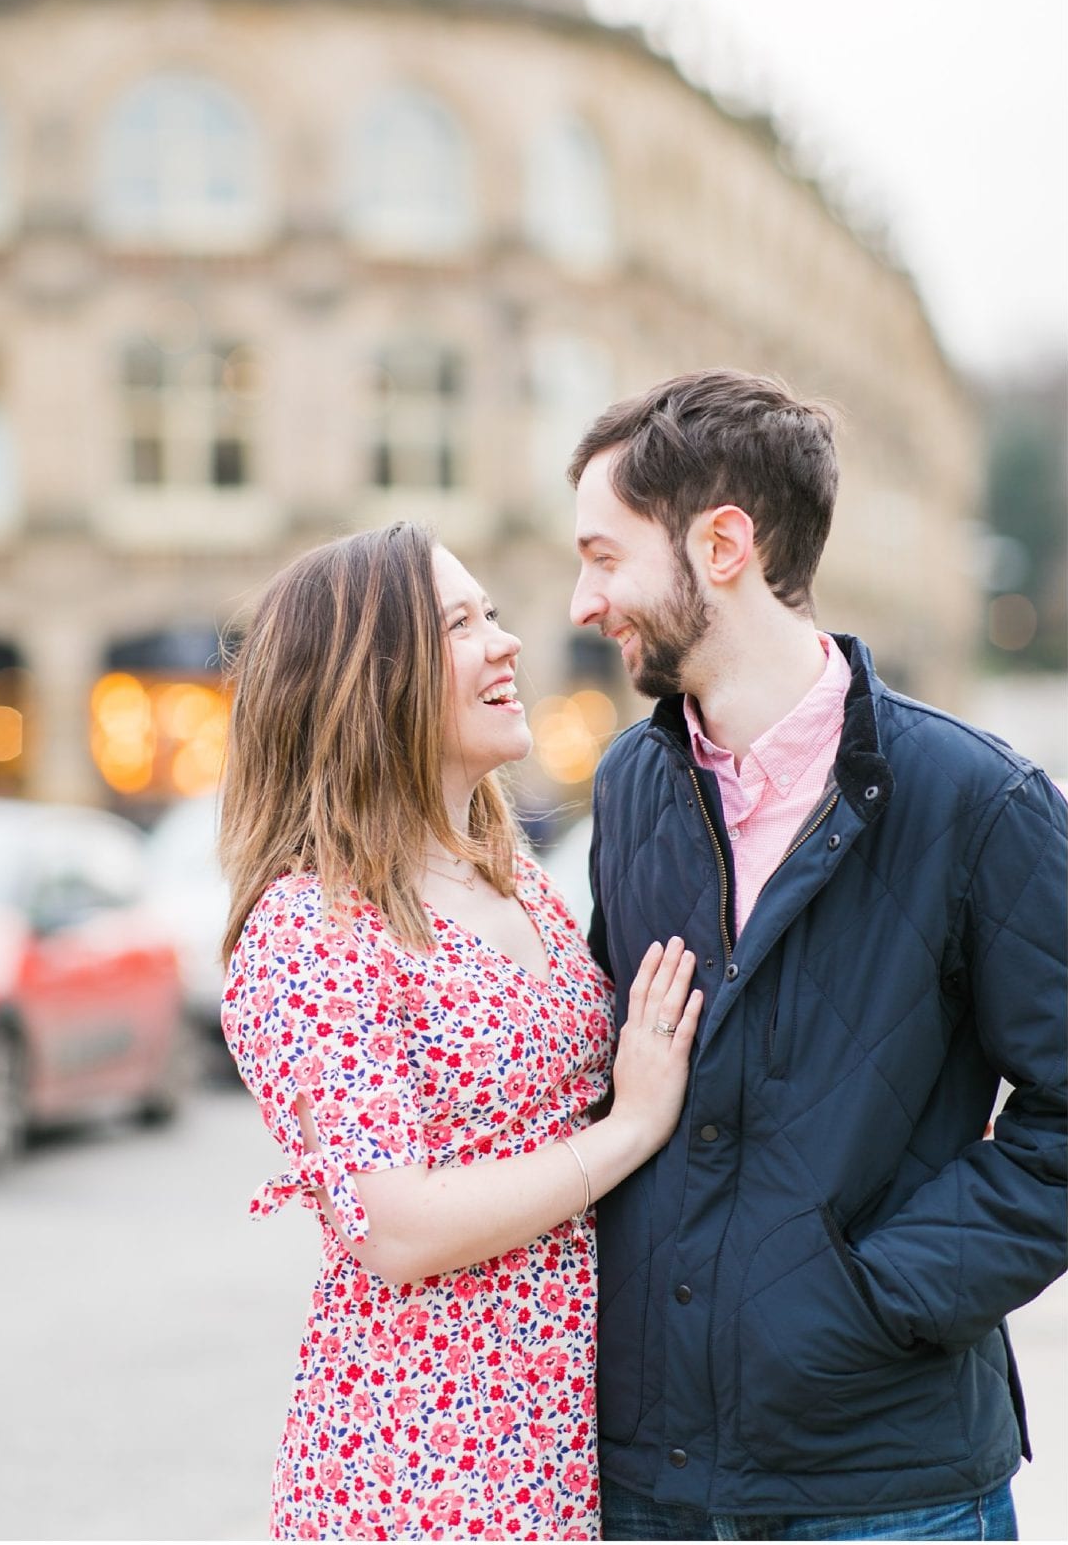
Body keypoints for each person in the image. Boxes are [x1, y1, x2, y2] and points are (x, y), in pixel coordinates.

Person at [567, 369, 1067, 1543]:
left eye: (604, 554)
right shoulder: (629, 788)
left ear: (723, 544)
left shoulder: (978, 801)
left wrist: (867, 1302)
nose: (585, 601)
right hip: (651, 1485)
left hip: (889, 1488)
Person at [218, 522, 704, 1542]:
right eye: (461, 623)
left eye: (493, 612)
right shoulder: (311, 927)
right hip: (425, 1462)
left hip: (559, 1438)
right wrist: (629, 1130)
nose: (508, 642)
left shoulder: (506, 869)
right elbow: (393, 1228)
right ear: (372, 675)